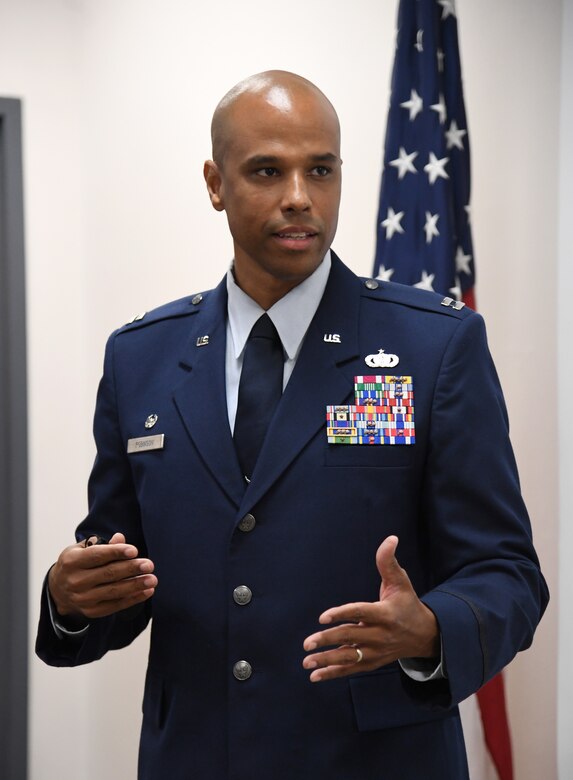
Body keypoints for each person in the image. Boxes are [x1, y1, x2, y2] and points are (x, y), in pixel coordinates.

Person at [36, 70, 548, 779]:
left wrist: (433, 628)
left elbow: (507, 572)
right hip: (194, 760)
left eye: (321, 170)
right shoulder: (141, 358)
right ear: (215, 183)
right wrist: (71, 602)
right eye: (267, 171)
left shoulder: (432, 347)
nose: (299, 197)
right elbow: (120, 575)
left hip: (374, 760)